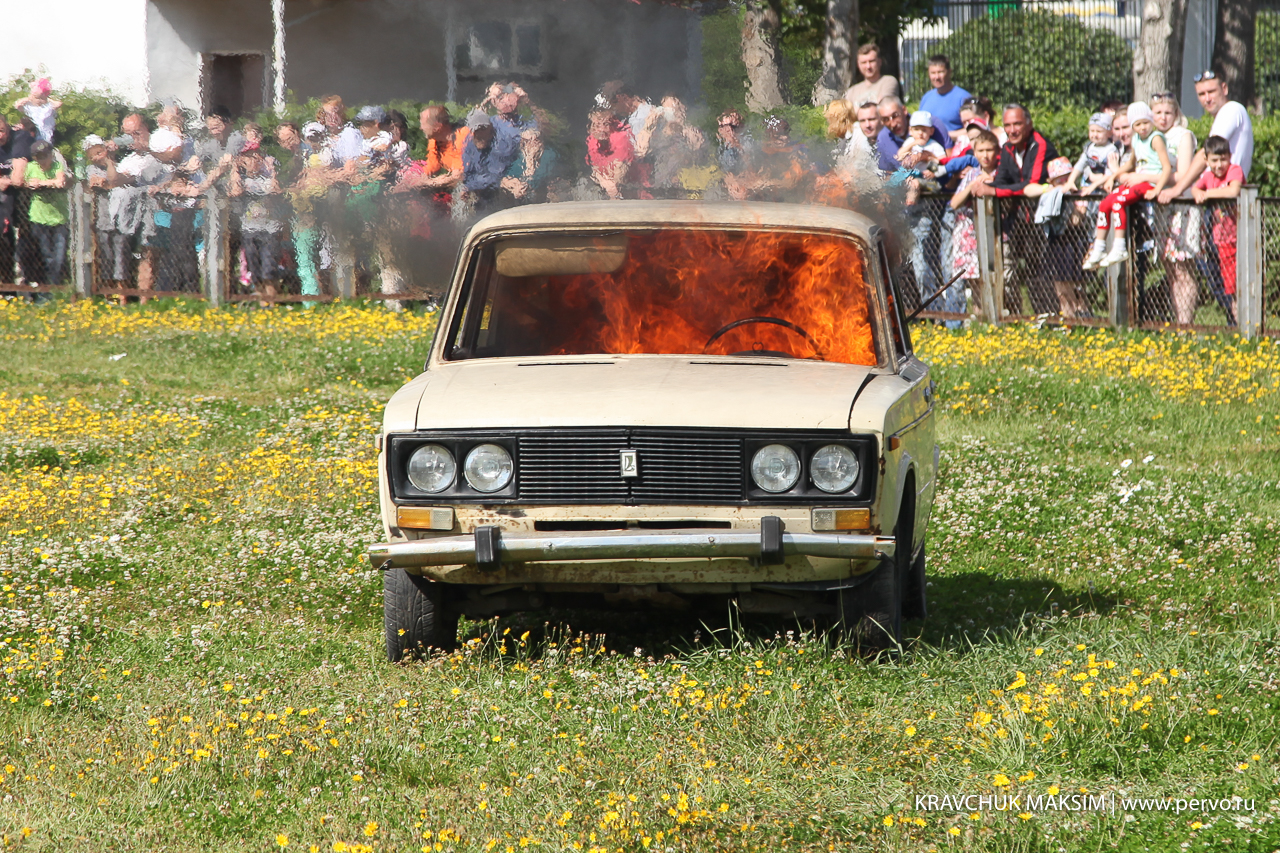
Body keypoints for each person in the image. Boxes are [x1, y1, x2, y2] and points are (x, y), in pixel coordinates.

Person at [970, 104, 1059, 314]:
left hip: (1043, 219)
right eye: (1007, 125)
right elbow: (1002, 180)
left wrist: (995, 191)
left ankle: (1050, 317)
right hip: (1018, 219)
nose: (1012, 130)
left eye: (1017, 124)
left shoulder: (1040, 145)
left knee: (1041, 272)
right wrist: (985, 186)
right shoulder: (1008, 149)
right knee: (1014, 270)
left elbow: (1031, 184)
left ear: (1028, 124)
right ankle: (1019, 316)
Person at [1083, 102, 1172, 270]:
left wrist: (1157, 189)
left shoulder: (1156, 139)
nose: (1142, 127)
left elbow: (1166, 167)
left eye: (1145, 122)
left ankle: (1119, 247)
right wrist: (1113, 177)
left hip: (1149, 181)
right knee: (1105, 204)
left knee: (1118, 203)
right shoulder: (1136, 139)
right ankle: (1099, 247)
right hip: (1136, 180)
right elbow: (1131, 163)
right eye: (1137, 124)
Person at [1159, 69, 1254, 203]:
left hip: (1227, 200)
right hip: (1216, 197)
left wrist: (1177, 189)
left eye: (1211, 92)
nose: (1207, 99)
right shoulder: (1222, 115)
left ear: (1224, 89)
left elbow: (1206, 153)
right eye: (1201, 94)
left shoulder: (1231, 109)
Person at [1150, 92, 1200, 325]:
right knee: (1170, 270)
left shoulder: (1183, 135)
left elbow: (1183, 173)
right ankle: (1179, 320)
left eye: (1168, 112)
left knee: (1183, 269)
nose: (1163, 117)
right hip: (1161, 209)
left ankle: (1186, 324)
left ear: (1176, 113)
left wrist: (1148, 178)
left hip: (1181, 207)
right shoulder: (1152, 137)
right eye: (1158, 112)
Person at [947, 129, 1001, 314]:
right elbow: (954, 203)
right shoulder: (972, 174)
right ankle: (980, 318)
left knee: (998, 277)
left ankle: (1001, 318)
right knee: (975, 279)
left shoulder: (1001, 172)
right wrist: (972, 185)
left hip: (994, 231)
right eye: (980, 151)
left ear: (997, 151)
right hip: (969, 231)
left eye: (989, 150)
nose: (985, 155)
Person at [1192, 135, 1244, 324]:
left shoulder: (1234, 170)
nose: (1219, 164)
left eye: (1223, 159)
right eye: (1214, 160)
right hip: (1220, 240)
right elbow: (1195, 189)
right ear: (1206, 160)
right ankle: (1235, 322)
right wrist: (1198, 193)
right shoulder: (1208, 176)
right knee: (1227, 285)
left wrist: (1207, 194)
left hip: (1238, 237)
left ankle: (1243, 325)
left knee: (1239, 284)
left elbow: (1233, 191)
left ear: (1230, 156)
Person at [229, 141, 284, 300]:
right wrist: (235, 169)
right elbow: (235, 191)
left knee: (269, 268)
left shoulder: (268, 176)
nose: (252, 161)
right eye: (247, 158)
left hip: (270, 230)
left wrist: (272, 171)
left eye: (255, 157)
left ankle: (271, 302)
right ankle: (262, 301)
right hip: (250, 230)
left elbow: (276, 190)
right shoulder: (242, 180)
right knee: (255, 268)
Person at [635, 95, 709, 198]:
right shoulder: (655, 133)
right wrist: (648, 126)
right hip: (658, 189)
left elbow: (699, 157)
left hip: (686, 188)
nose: (672, 113)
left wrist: (683, 131)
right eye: (667, 110)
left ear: (683, 109)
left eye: (676, 108)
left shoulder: (692, 132)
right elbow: (640, 153)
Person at [21, 140, 68, 298]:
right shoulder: (31, 167)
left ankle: (55, 291)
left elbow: (60, 182)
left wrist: (42, 183)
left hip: (59, 219)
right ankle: (46, 293)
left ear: (51, 155)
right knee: (45, 257)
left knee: (59, 259)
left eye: (45, 156)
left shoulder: (57, 166)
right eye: (39, 157)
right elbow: (25, 182)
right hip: (39, 219)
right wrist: (36, 184)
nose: (43, 160)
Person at [460, 110, 519, 213]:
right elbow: (467, 174)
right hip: (480, 191)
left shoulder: (502, 144)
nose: (477, 134)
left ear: (490, 128)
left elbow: (495, 176)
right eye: (474, 130)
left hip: (501, 190)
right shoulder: (471, 144)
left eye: (482, 129)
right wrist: (467, 187)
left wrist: (472, 185)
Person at [0, 115, 34, 283]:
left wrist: (5, 180)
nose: (0, 135)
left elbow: (18, 178)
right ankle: (7, 286)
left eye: (1, 130)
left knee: (26, 243)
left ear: (8, 128)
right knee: (4, 243)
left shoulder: (20, 138)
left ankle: (31, 284)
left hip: (22, 199)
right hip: (4, 200)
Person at [876, 97, 948, 173]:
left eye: (895, 115)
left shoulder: (932, 125)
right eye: (885, 119)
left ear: (904, 110)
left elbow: (946, 162)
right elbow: (886, 172)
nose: (893, 124)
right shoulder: (883, 139)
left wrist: (929, 159)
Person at [585, 108, 634, 200]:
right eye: (597, 125)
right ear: (589, 129)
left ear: (613, 127)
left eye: (606, 124)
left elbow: (618, 179)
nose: (602, 129)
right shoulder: (587, 146)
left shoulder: (622, 143)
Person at [917, 55, 971, 138]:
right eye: (933, 73)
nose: (936, 77)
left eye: (940, 72)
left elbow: (972, 129)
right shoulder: (926, 98)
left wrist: (945, 136)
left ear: (949, 72)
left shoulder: (964, 98)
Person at [195, 105, 245, 190]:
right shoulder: (213, 143)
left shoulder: (236, 138)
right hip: (222, 186)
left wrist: (205, 185)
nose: (213, 132)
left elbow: (227, 163)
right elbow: (198, 157)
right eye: (211, 129)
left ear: (228, 124)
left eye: (216, 128)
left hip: (241, 184)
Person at [1066, 113, 1118, 195]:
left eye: (1099, 131)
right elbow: (1080, 165)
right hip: (1087, 185)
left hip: (1102, 187)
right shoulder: (1089, 147)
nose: (1095, 135)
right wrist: (1070, 181)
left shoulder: (1111, 150)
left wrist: (1093, 186)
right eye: (1092, 131)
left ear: (1109, 133)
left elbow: (1109, 173)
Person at [843, 44, 901, 108]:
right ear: (858, 65)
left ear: (880, 62)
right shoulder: (851, 92)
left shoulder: (888, 82)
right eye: (864, 62)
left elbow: (884, 107)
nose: (868, 66)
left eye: (871, 61)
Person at [14, 78, 61, 144]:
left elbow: (58, 104)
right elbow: (17, 105)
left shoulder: (49, 106)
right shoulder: (29, 106)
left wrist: (46, 99)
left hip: (46, 138)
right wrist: (29, 98)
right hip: (32, 137)